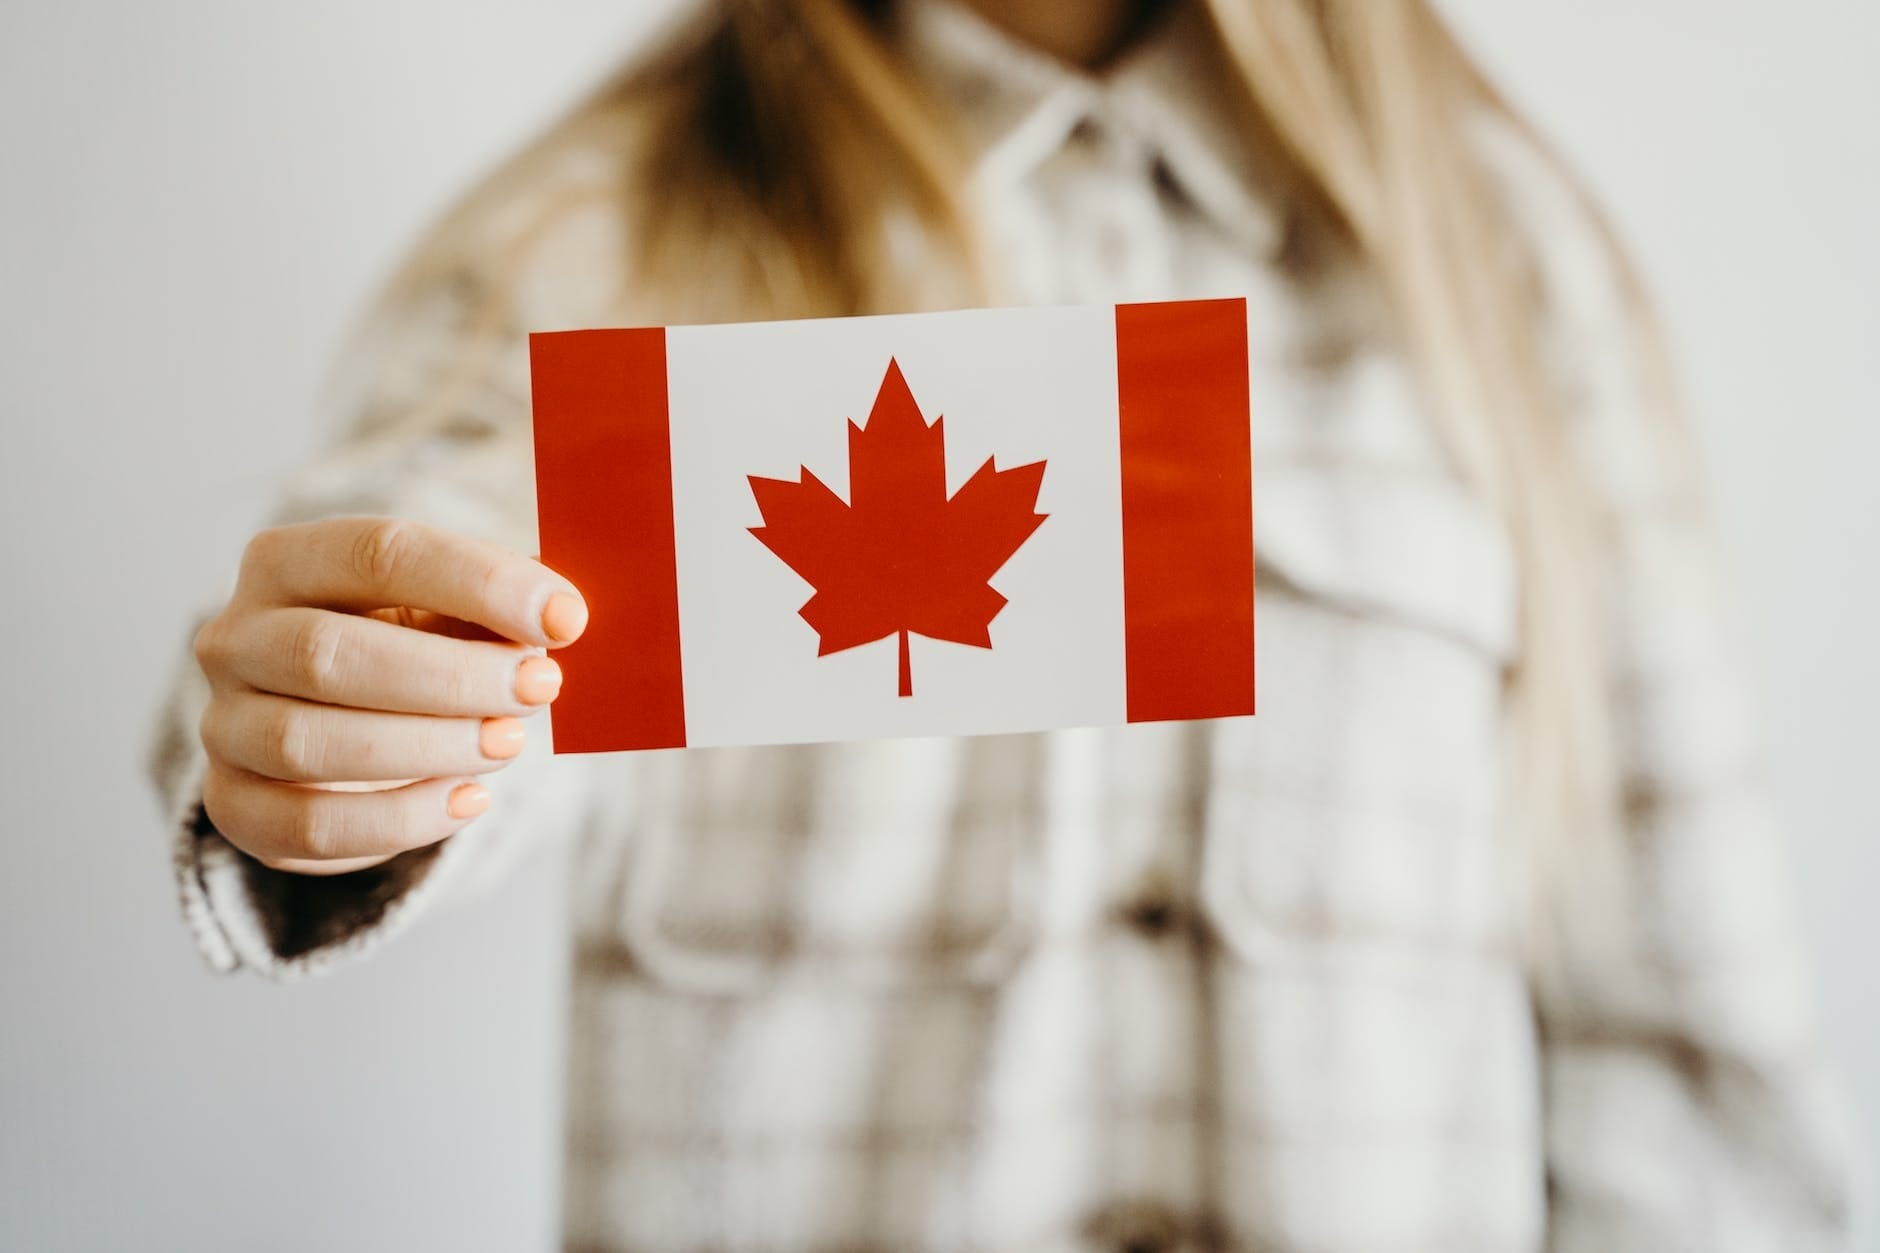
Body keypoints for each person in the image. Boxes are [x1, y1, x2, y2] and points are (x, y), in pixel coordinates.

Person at [150, 0, 1850, 1248]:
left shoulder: (1501, 265)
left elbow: (1685, 1064)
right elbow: (420, 548)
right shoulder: (600, 238)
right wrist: (338, 726)